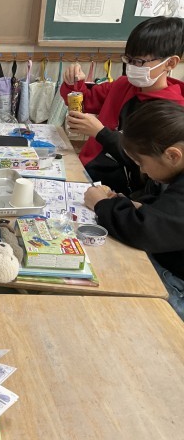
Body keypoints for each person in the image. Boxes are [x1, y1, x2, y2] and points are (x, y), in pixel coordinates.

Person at [61, 16, 184, 196]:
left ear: (170, 63)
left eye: (139, 62)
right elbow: (86, 100)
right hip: (87, 168)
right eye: (129, 60)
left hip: (123, 189)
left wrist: (101, 133)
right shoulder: (124, 85)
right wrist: (74, 82)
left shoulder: (171, 112)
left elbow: (146, 162)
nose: (132, 67)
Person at [84, 100, 184, 320]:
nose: (143, 171)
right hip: (171, 261)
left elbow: (144, 230)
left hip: (177, 284)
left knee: (105, 282)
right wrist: (138, 206)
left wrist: (101, 204)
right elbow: (168, 213)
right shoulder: (177, 169)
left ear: (172, 156)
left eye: (141, 163)